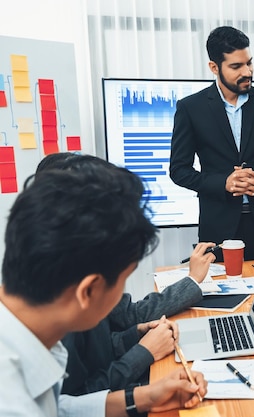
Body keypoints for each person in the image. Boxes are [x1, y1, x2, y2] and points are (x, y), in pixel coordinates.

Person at [0, 166, 206, 416]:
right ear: (88, 292)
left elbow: (59, 409)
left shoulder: (29, 333)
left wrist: (146, 396)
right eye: (123, 281)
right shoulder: (13, 404)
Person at [169, 25, 254, 262]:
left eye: (249, 63)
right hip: (216, 229)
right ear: (214, 67)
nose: (247, 71)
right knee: (221, 296)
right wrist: (224, 183)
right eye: (236, 66)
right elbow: (179, 170)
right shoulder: (190, 108)